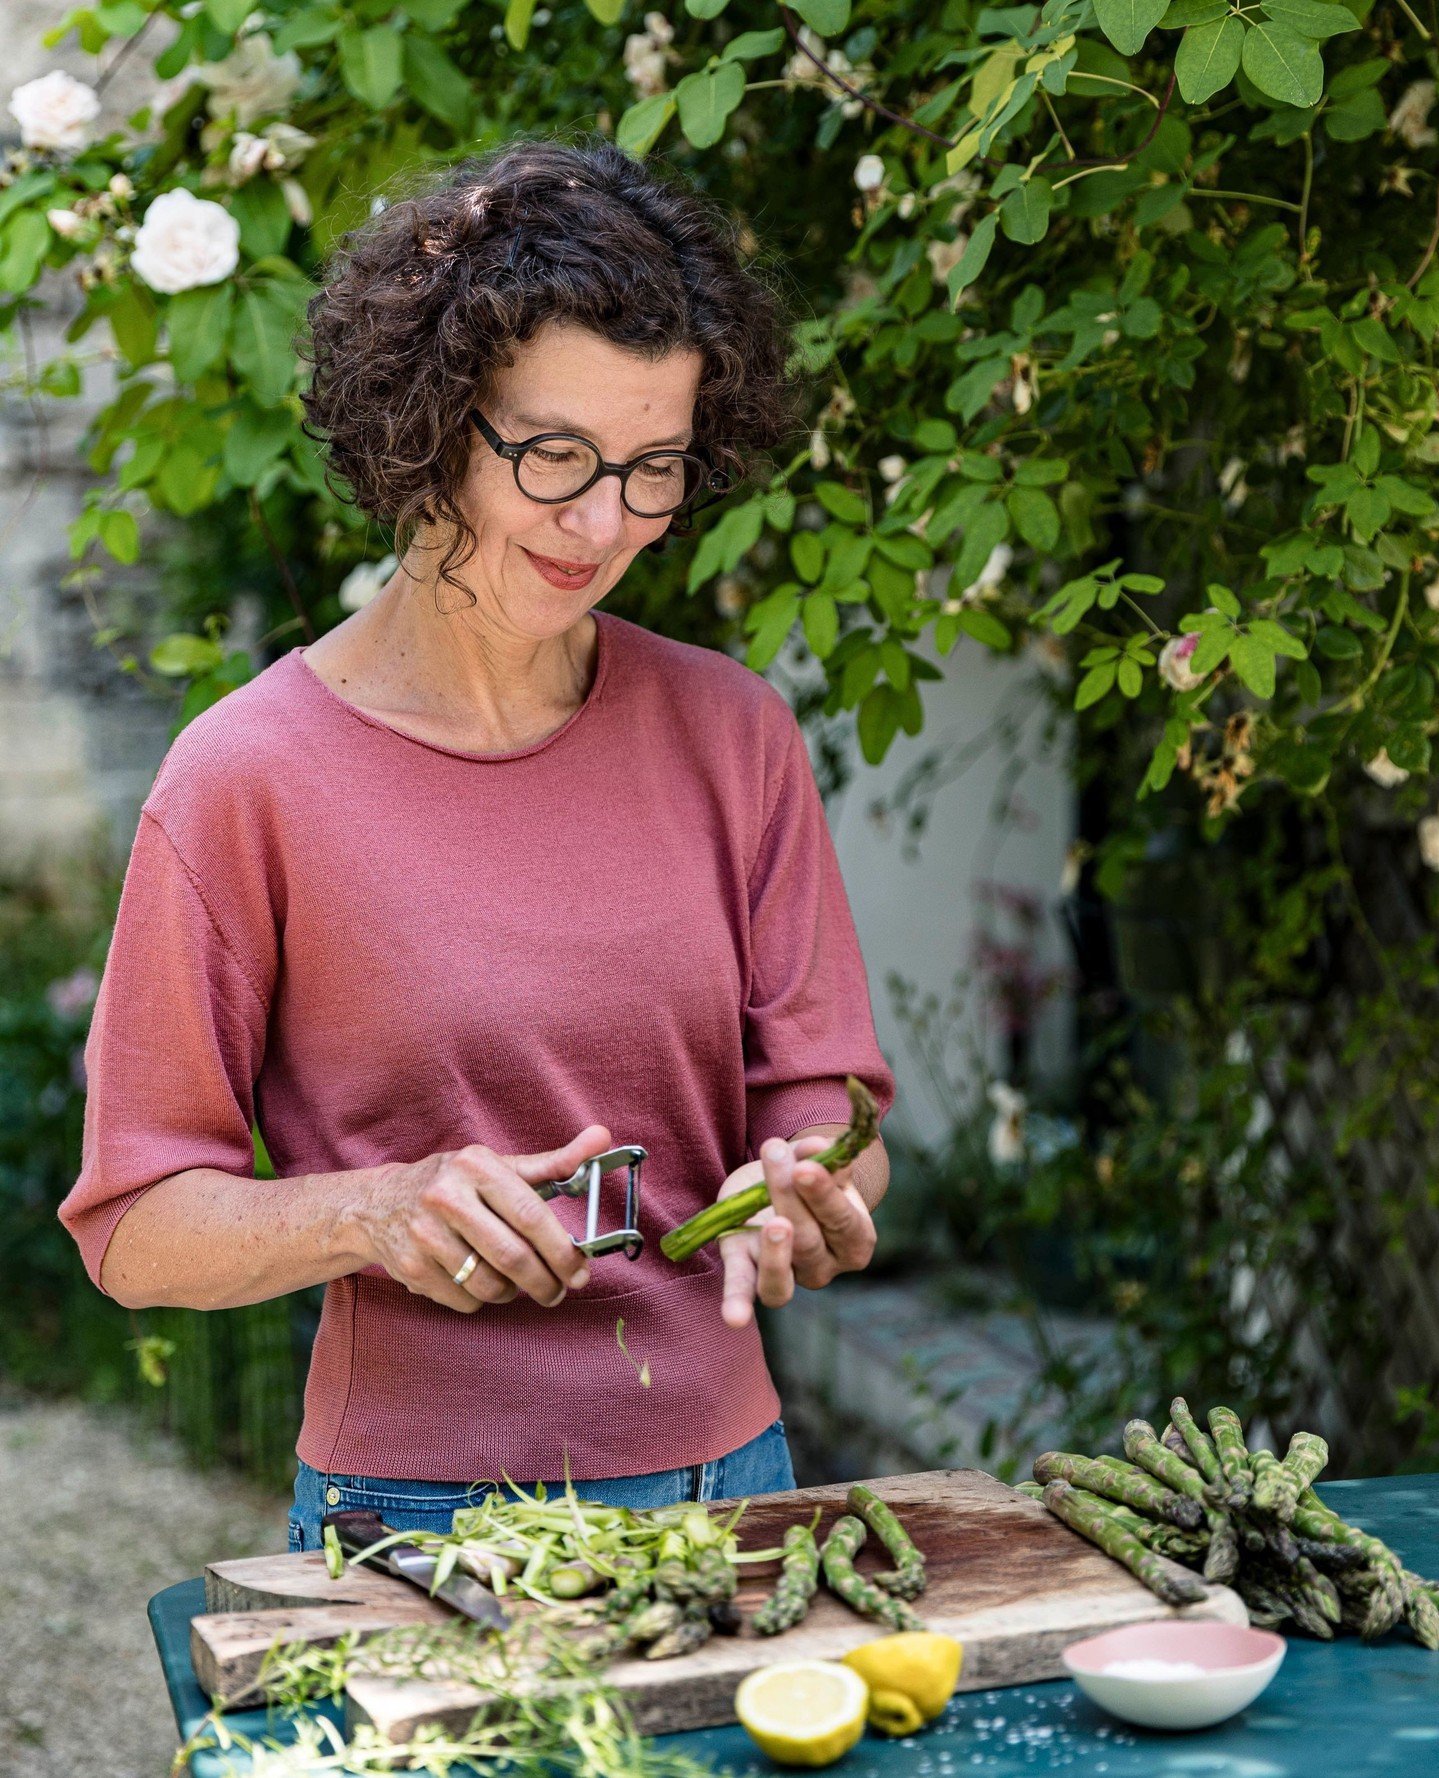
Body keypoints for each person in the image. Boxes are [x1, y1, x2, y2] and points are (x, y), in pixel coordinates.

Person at [59, 136, 895, 1550]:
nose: (602, 521)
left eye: (654, 468)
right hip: (411, 1518)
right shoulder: (246, 779)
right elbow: (137, 1224)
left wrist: (809, 1183)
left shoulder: (731, 733)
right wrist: (379, 1208)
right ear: (433, 418)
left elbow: (832, 1106)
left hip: (736, 1486)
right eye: (554, 455)